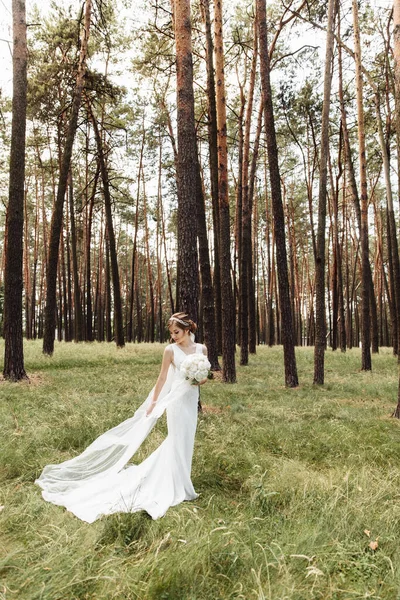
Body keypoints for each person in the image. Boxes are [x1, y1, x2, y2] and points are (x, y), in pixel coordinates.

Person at [35, 313, 208, 523]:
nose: (173, 337)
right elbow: (162, 378)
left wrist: (201, 378)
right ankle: (179, 486)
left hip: (190, 400)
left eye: (177, 332)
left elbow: (204, 376)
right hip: (176, 404)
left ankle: (181, 480)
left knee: (187, 440)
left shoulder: (201, 350)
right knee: (176, 439)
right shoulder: (170, 351)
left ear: (187, 329)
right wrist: (153, 403)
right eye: (171, 333)